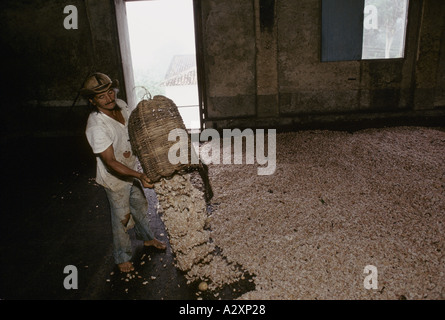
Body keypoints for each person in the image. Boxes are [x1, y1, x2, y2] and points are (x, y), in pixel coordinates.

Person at [81, 72, 166, 273]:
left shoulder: (121, 105)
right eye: (101, 96)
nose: (109, 98)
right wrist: (139, 176)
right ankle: (122, 257)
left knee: (140, 206)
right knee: (122, 217)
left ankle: (147, 239)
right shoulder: (96, 126)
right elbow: (110, 162)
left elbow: (133, 131)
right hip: (115, 179)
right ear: (92, 101)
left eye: (110, 92)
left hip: (131, 170)